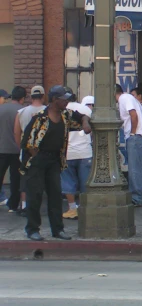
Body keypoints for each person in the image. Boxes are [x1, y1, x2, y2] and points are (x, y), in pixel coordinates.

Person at [20, 85, 91, 241]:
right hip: (37, 160)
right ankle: (32, 229)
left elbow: (83, 117)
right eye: (63, 99)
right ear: (54, 100)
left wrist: (85, 123)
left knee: (55, 195)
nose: (66, 102)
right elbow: (28, 142)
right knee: (35, 195)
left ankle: (57, 229)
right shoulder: (40, 118)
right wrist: (36, 159)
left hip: (54, 160)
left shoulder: (66, 115)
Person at [115, 84, 142, 207]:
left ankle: (135, 198)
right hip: (140, 135)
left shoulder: (124, 98)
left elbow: (133, 115)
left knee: (134, 169)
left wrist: (133, 132)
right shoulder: (127, 98)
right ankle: (136, 196)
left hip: (137, 136)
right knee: (137, 168)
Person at [13, 85, 46, 217]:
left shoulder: (21, 112)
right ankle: (41, 205)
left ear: (31, 97)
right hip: (44, 152)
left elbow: (16, 132)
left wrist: (21, 147)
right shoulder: (48, 111)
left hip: (26, 151)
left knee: (25, 179)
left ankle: (25, 205)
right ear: (43, 96)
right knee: (44, 179)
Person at [61, 94, 94, 220]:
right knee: (85, 182)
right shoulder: (86, 110)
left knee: (68, 181)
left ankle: (72, 209)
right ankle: (85, 208)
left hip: (68, 152)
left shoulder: (61, 111)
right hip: (85, 151)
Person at [0, 86, 26, 213]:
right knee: (16, 179)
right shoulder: (23, 111)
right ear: (22, 98)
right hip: (17, 149)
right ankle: (13, 205)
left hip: (1, 148)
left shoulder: (1, 109)